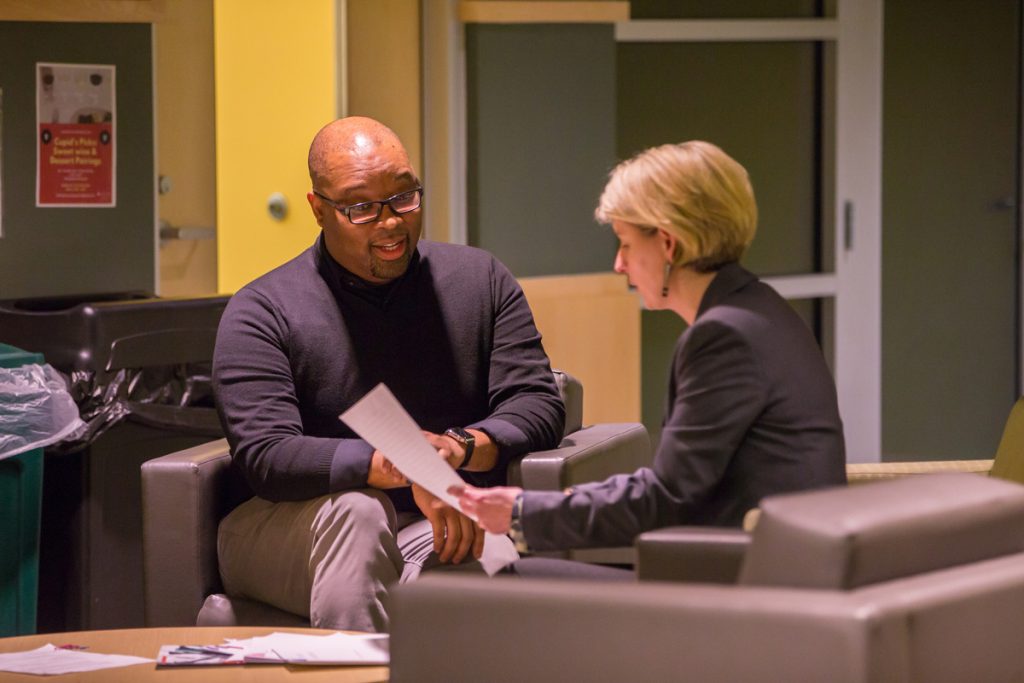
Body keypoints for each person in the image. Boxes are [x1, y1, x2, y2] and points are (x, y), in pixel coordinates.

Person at [212, 116, 565, 631]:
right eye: (361, 208)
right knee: (359, 514)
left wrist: (455, 449)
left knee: (494, 566)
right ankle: (356, 664)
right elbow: (267, 455)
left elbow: (537, 402)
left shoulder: (479, 280)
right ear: (318, 209)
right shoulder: (263, 310)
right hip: (292, 526)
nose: (390, 223)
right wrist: (400, 465)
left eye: (404, 197)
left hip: (435, 522)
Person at [453, 141, 846, 570]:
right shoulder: (765, 309)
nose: (619, 264)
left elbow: (666, 498)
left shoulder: (721, 337)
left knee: (496, 578)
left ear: (668, 244)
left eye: (625, 243)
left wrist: (521, 513)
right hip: (780, 564)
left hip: (744, 581)